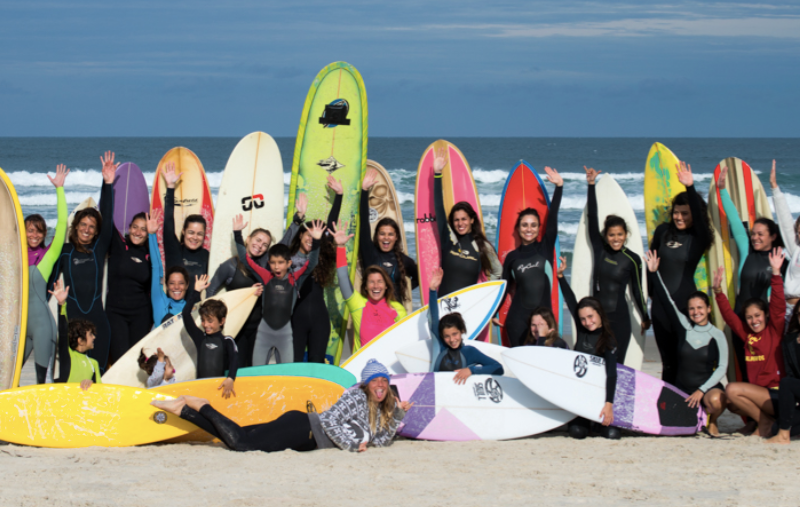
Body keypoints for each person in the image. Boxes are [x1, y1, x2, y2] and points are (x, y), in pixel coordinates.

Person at [151, 359, 412, 453]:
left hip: (306, 439)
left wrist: (398, 414)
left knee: (237, 435)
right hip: (305, 427)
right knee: (243, 445)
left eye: (384, 381)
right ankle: (204, 406)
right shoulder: (356, 398)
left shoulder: (377, 413)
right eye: (374, 380)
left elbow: (381, 441)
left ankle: (184, 410)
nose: (379, 384)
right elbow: (331, 421)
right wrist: (353, 445)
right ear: (366, 384)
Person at [645, 251, 729, 436]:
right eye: (692, 308)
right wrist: (654, 273)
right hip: (682, 390)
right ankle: (697, 417)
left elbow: (722, 368)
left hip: (706, 390)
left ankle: (712, 420)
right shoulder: (684, 327)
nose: (696, 312)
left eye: (700, 307)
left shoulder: (717, 335)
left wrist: (702, 390)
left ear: (708, 309)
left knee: (716, 399)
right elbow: (667, 301)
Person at [719, 165, 788, 383]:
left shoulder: (780, 260)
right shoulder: (747, 248)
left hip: (764, 325)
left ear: (773, 236)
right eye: (754, 233)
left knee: (767, 368)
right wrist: (722, 190)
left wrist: (775, 188)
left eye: (761, 234)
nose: (755, 237)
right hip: (741, 319)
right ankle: (751, 415)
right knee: (744, 366)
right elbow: (736, 222)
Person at [51, 151, 117, 371]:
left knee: (97, 375)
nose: (87, 230)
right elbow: (48, 278)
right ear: (76, 225)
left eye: (92, 226)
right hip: (72, 324)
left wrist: (107, 183)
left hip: (99, 324)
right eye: (83, 225)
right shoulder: (65, 251)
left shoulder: (98, 250)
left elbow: (107, 219)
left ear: (96, 231)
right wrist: (59, 189)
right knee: (71, 376)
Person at [648, 161, 713, 384]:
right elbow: (651, 266)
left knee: (685, 358)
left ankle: (689, 407)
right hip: (660, 307)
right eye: (676, 213)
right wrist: (650, 297)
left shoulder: (698, 239)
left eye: (685, 214)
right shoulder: (662, 231)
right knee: (666, 361)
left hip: (685, 305)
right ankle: (669, 408)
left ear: (694, 215)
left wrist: (690, 187)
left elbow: (703, 223)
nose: (679, 217)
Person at [713, 249, 786, 437]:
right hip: (759, 394)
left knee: (732, 389)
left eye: (757, 316)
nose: (754, 321)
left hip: (776, 394)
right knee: (729, 402)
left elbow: (778, 305)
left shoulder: (774, 330)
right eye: (749, 318)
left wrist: (776, 274)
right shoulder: (747, 335)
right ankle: (764, 422)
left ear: (765, 315)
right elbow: (730, 317)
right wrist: (718, 292)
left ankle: (765, 423)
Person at [235, 215, 323, 365]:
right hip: (263, 334)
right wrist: (237, 234)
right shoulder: (265, 275)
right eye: (273, 263)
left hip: (285, 335)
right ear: (268, 263)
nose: (277, 267)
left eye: (281, 263)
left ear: (289, 263)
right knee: (258, 374)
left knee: (285, 376)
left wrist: (316, 241)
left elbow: (312, 263)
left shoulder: (296, 278)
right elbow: (245, 259)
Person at [583, 167, 649, 364]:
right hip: (597, 316)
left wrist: (645, 316)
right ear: (606, 235)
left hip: (620, 318)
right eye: (612, 234)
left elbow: (637, 289)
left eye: (620, 234)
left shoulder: (632, 259)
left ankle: (614, 395)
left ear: (626, 235)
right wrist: (591, 185)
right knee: (597, 362)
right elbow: (591, 219)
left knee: (618, 364)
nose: (616, 238)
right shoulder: (599, 249)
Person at [495, 165, 564, 347]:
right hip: (517, 321)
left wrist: (559, 188)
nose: (529, 229)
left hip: (543, 323)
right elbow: (504, 289)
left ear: (538, 228)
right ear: (518, 228)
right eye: (524, 225)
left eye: (533, 225)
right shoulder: (512, 258)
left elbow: (553, 219)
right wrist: (493, 313)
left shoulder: (545, 248)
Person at [557, 256, 620, 440]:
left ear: (599, 313)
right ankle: (588, 423)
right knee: (577, 432)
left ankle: (598, 423)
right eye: (583, 319)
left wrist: (609, 404)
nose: (587, 322)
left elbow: (612, 374)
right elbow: (571, 300)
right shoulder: (583, 329)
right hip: (582, 394)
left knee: (612, 434)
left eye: (591, 317)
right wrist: (561, 276)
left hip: (601, 395)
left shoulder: (608, 340)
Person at [433, 146, 502, 297]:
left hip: (467, 313)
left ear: (472, 220)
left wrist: (488, 298)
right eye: (456, 220)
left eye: (464, 219)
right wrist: (437, 174)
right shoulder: (448, 241)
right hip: (443, 308)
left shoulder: (482, 246)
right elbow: (439, 208)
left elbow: (498, 271)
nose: (460, 223)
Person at [287, 180, 342, 363]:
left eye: (315, 236)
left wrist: (339, 197)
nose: (311, 238)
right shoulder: (289, 258)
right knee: (293, 365)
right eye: (308, 233)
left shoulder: (321, 259)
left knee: (316, 364)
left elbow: (330, 227)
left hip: (319, 319)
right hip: (296, 319)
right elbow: (281, 245)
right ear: (301, 234)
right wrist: (298, 218)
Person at [23, 164, 69, 383]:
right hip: (18, 325)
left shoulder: (47, 257)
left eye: (39, 230)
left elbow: (62, 225)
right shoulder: (13, 257)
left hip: (42, 325)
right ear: (22, 231)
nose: (34, 234)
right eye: (29, 229)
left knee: (42, 381)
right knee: (8, 378)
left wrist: (59, 189)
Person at [332, 220, 407, 351]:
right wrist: (341, 247)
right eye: (371, 282)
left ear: (386, 286)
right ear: (365, 286)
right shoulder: (358, 305)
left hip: (388, 366)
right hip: (362, 367)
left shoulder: (398, 309)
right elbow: (343, 276)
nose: (376, 286)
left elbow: (404, 342)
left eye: (380, 282)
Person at [208, 227, 272, 367]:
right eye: (258, 240)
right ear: (248, 239)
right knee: (239, 367)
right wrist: (213, 320)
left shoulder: (265, 267)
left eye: (265, 245)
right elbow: (211, 290)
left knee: (256, 368)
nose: (260, 246)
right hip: (237, 328)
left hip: (258, 328)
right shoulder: (230, 266)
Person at [427, 268, 503, 383]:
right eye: (447, 336)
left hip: (459, 397)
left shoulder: (470, 352)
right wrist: (432, 290)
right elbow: (433, 319)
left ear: (461, 330)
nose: (452, 339)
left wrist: (471, 370)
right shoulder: (440, 346)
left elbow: (498, 368)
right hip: (437, 393)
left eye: (455, 334)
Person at [359, 168, 418, 305]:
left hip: (395, 314)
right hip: (373, 312)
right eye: (382, 234)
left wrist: (403, 291)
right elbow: (363, 225)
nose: (386, 238)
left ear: (396, 237)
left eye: (390, 234)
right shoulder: (370, 253)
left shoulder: (403, 260)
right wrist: (364, 191)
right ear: (377, 236)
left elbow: (419, 278)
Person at [104, 209, 153, 365]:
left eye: (144, 229)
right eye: (135, 227)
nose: (138, 232)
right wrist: (107, 184)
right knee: (120, 361)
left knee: (137, 362)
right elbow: (106, 216)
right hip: (116, 313)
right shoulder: (119, 246)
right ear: (129, 227)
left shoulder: (151, 254)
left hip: (141, 315)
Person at [184, 275, 239, 398]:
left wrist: (231, 378)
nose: (205, 324)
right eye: (203, 320)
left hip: (219, 390)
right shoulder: (200, 338)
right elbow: (186, 315)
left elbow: (234, 360)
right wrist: (196, 291)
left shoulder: (227, 341)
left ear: (221, 321)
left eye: (210, 321)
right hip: (200, 389)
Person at [162, 162, 209, 279]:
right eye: (191, 232)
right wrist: (170, 187)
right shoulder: (175, 251)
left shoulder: (207, 256)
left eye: (199, 234)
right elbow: (168, 224)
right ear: (183, 232)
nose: (194, 237)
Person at [53, 281, 100, 391]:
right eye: (90, 334)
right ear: (80, 340)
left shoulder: (94, 363)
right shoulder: (68, 355)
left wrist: (91, 383)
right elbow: (63, 331)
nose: (94, 337)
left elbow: (100, 390)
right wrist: (62, 304)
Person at [768, 160, 799, 325]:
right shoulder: (797, 250)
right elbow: (786, 222)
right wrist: (774, 187)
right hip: (788, 313)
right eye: (799, 229)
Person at [147, 210, 190, 325]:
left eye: (181, 283)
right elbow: (156, 267)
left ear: (187, 285)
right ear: (166, 285)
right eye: (171, 283)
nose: (176, 287)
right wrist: (151, 235)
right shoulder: (160, 301)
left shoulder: (191, 309)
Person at [766, 300, 800, 443]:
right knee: (775, 428)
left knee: (786, 383)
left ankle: (784, 435)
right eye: (799, 314)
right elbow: (791, 374)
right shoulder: (789, 341)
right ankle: (782, 431)